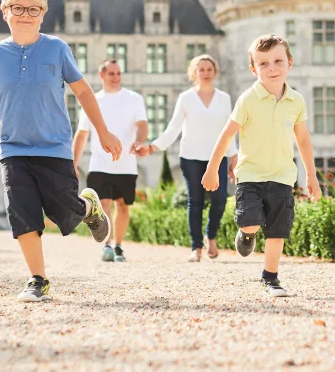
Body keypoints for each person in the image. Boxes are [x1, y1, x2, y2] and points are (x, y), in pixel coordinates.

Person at [0, 0, 122, 303]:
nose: (25, 15)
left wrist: (103, 132)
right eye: (18, 8)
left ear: (43, 14)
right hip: (13, 149)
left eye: (33, 9)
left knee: (63, 211)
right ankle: (37, 279)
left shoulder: (57, 49)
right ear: (5, 12)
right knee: (22, 213)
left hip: (55, 146)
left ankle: (88, 207)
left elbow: (84, 91)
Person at [202, 34, 322, 297]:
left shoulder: (296, 101)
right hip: (250, 174)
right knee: (251, 222)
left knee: (278, 230)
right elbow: (226, 134)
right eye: (263, 63)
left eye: (278, 61)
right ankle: (246, 235)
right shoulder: (247, 99)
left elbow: (302, 138)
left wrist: (311, 176)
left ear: (289, 63)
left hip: (282, 176)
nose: (272, 68)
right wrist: (212, 169)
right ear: (253, 69)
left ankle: (270, 278)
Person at [138, 55, 237, 262]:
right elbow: (173, 127)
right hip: (191, 156)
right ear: (194, 73)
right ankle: (196, 248)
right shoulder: (186, 98)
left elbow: (229, 129)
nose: (206, 73)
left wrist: (233, 155)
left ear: (215, 72)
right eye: (201, 69)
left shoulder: (224, 98)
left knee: (219, 200)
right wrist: (153, 146)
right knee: (196, 202)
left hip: (216, 158)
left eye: (209, 69)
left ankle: (211, 236)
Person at [73, 59, 148, 263]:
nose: (116, 77)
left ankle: (119, 246)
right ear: (102, 75)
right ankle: (106, 245)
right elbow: (81, 134)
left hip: (126, 163)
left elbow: (142, 125)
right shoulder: (92, 100)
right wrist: (73, 163)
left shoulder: (134, 98)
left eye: (118, 73)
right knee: (103, 203)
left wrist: (140, 141)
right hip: (100, 162)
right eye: (111, 74)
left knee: (123, 206)